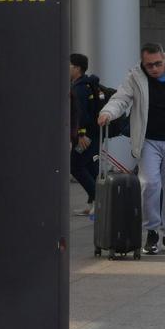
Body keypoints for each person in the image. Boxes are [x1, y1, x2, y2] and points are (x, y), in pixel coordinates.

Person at [97, 43, 165, 255]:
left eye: (158, 64)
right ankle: (152, 231)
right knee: (150, 184)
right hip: (148, 141)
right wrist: (108, 112)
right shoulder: (135, 77)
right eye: (150, 65)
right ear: (143, 63)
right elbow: (121, 98)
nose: (154, 68)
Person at [68, 53, 102, 216]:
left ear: (77, 68)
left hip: (85, 137)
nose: (66, 68)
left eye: (69, 65)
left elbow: (80, 113)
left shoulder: (79, 88)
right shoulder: (86, 85)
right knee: (91, 168)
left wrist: (81, 135)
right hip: (93, 134)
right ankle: (94, 203)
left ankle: (99, 201)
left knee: (74, 165)